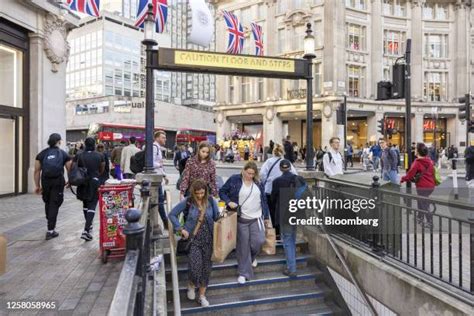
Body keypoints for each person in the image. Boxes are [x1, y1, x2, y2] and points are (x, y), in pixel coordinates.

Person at [168, 179, 219, 307]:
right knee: (195, 267)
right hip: (194, 239)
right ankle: (191, 284)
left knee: (206, 270)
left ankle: (202, 296)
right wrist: (180, 229)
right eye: (198, 193)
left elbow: (217, 217)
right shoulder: (189, 202)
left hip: (209, 240)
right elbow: (172, 214)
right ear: (193, 192)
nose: (200, 196)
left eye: (202, 193)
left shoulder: (211, 201)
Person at [219, 162, 270, 284]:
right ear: (243, 170)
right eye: (248, 173)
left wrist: (266, 217)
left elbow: (263, 199)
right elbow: (222, 192)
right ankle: (243, 273)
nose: (250, 176)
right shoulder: (234, 179)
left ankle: (250, 259)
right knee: (243, 247)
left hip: (256, 217)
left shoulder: (258, 182)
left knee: (259, 241)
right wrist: (228, 202)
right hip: (241, 219)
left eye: (253, 174)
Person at [34, 133, 72, 240]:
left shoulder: (41, 154)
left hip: (45, 181)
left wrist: (37, 185)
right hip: (58, 182)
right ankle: (50, 230)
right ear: (59, 141)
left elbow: (37, 171)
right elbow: (69, 169)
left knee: (48, 202)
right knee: (55, 204)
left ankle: (50, 220)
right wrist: (70, 181)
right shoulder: (63, 154)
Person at [271, 159, 302, 277]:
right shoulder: (297, 179)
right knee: (292, 239)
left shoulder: (277, 181)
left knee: (288, 240)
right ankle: (292, 263)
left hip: (284, 213)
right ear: (290, 167)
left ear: (280, 168)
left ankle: (291, 268)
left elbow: (273, 198)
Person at [260, 144, 297, 237]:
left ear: (273, 152)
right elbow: (294, 174)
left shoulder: (268, 162)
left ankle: (276, 232)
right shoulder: (286, 162)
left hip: (270, 190)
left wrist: (267, 182)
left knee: (272, 211)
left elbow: (262, 174)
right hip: (284, 190)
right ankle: (283, 232)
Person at [75, 137, 105, 241]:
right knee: (92, 205)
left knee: (85, 204)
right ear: (94, 145)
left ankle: (89, 225)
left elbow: (73, 167)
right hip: (94, 181)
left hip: (82, 182)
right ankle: (86, 230)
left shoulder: (79, 155)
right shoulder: (99, 155)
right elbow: (102, 169)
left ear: (85, 145)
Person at [401, 143, 436, 227]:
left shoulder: (417, 162)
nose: (414, 150)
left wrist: (402, 179)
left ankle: (429, 222)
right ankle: (419, 217)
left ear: (418, 151)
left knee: (424, 204)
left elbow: (410, 175)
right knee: (421, 201)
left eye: (415, 149)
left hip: (422, 186)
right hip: (431, 185)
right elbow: (432, 172)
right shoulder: (429, 160)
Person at [153, 131, 170, 229]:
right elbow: (151, 162)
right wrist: (160, 164)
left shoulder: (158, 148)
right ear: (157, 138)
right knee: (159, 201)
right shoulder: (154, 147)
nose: (165, 139)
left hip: (158, 177)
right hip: (154, 179)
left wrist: (164, 175)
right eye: (163, 137)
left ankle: (165, 221)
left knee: (159, 201)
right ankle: (165, 221)